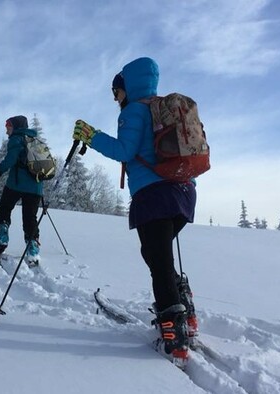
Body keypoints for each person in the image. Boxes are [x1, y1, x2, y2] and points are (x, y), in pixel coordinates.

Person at [72, 57, 197, 360]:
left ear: (126, 87)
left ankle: (174, 336)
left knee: (158, 262)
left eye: (116, 92)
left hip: (153, 197)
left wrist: (90, 135)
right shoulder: (161, 108)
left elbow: (124, 151)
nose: (115, 99)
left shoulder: (134, 111)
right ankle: (187, 314)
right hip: (183, 192)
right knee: (157, 255)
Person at [0, 115, 43, 265]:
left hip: (16, 183)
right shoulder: (36, 141)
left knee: (4, 209)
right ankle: (32, 249)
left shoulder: (17, 139)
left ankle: (3, 236)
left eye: (8, 127)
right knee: (30, 217)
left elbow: (11, 159)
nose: (7, 131)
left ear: (17, 127)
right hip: (36, 187)